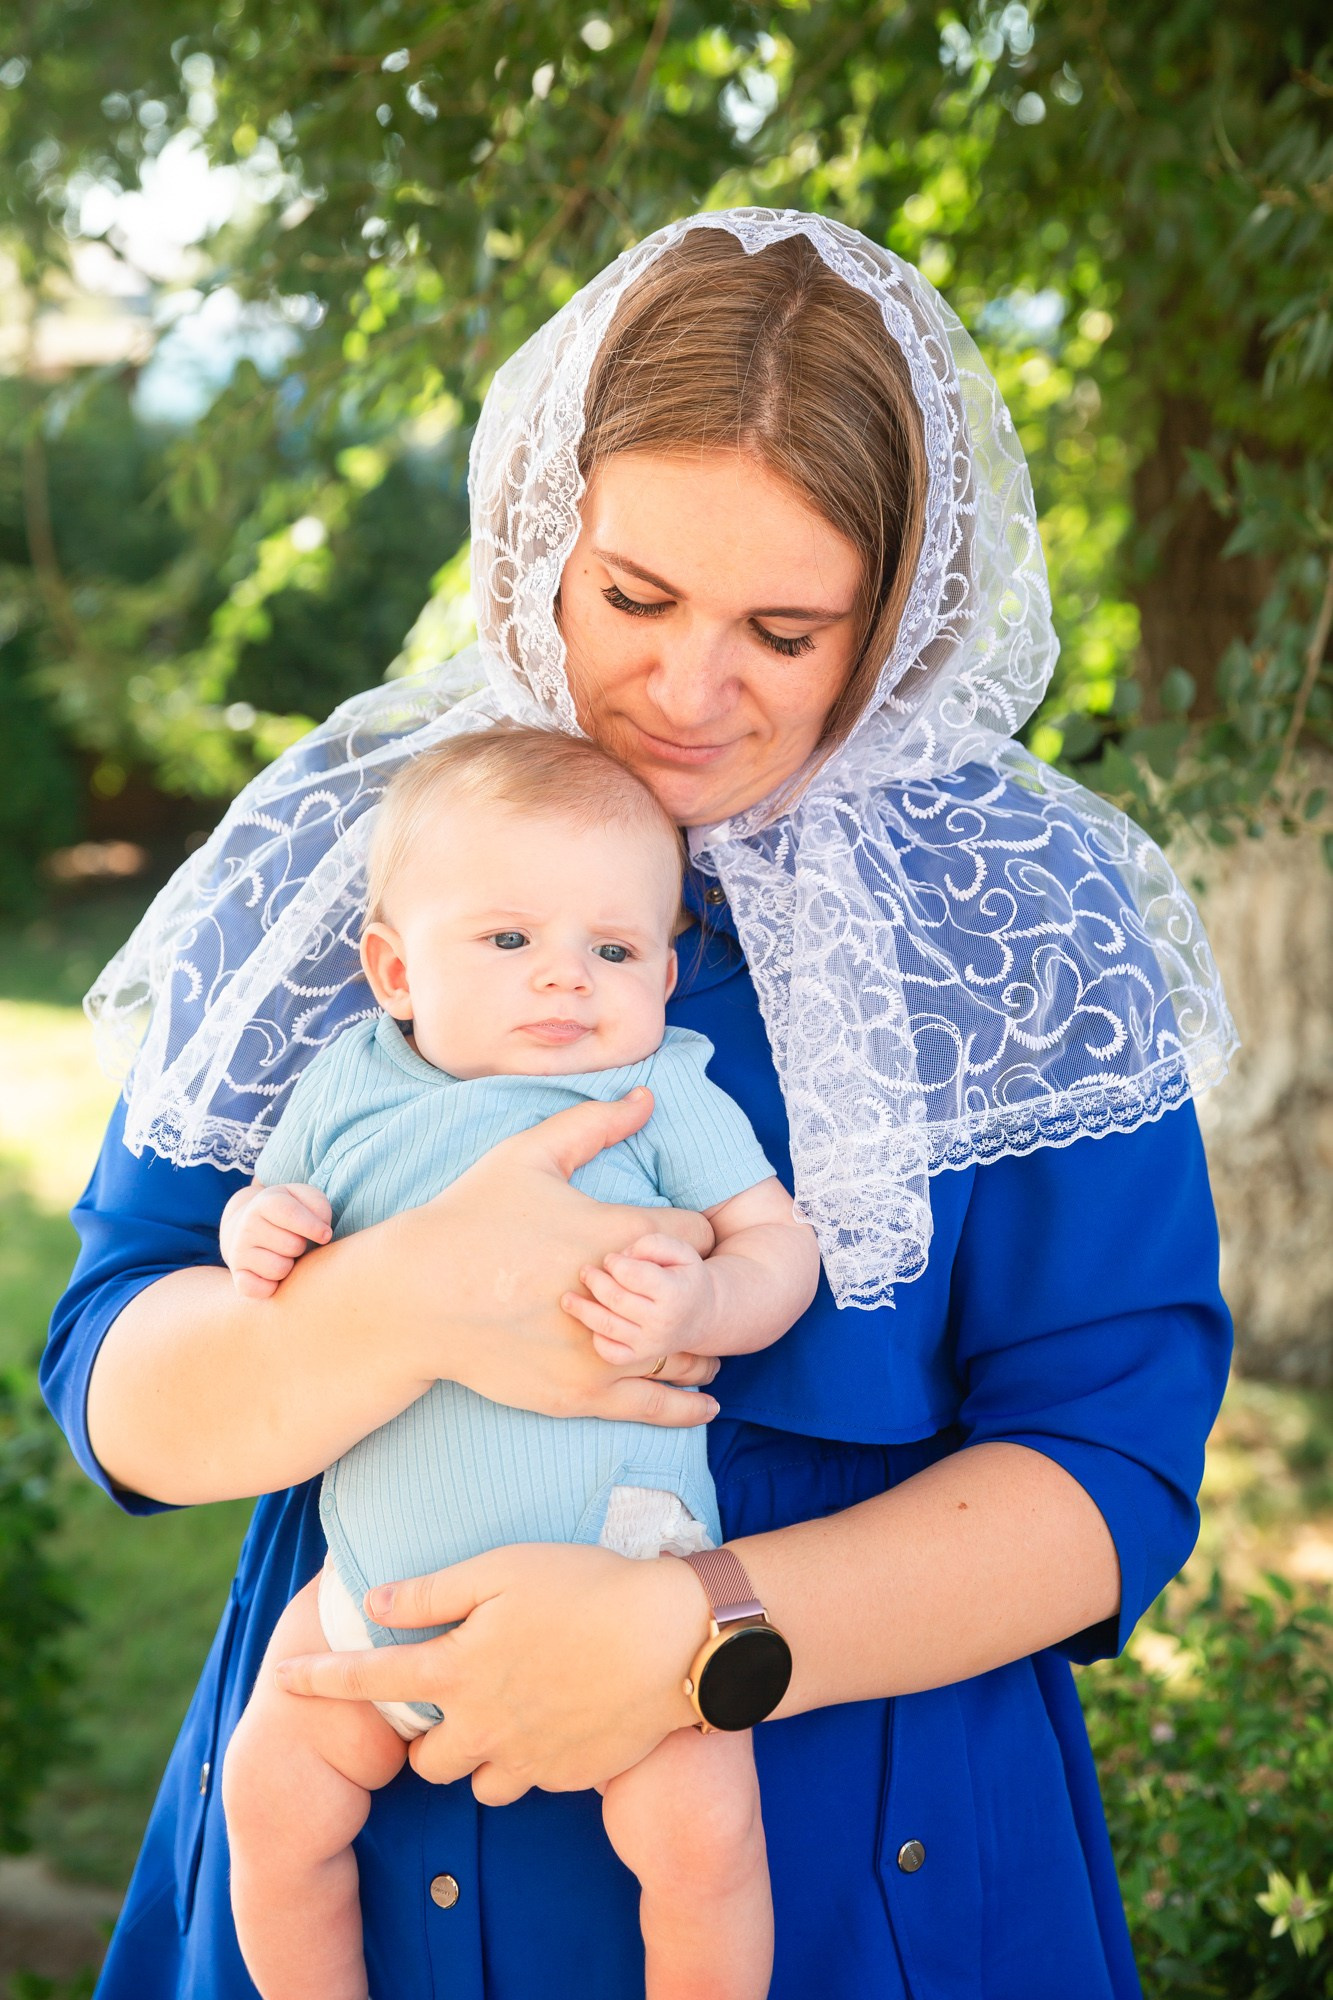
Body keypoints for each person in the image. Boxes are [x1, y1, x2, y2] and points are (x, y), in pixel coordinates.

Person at [44, 209, 1236, 2000]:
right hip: (363, 1858)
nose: (687, 693)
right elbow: (115, 1384)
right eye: (632, 597)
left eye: (783, 627)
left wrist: (694, 1640)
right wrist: (409, 1295)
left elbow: (1110, 1471)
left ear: (896, 606)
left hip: (857, 1896)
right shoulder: (358, 849)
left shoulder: (1023, 922)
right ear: (542, 541)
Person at [217, 726, 817, 2000]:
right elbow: (272, 1213)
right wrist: (253, 1228)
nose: (566, 980)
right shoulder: (351, 1088)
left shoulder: (658, 1087)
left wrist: (708, 1292)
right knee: (270, 1798)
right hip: (375, 1585)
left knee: (704, 1841)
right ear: (393, 967)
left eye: (613, 949)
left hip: (626, 1577)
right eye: (508, 941)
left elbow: (779, 1243)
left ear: (662, 970)